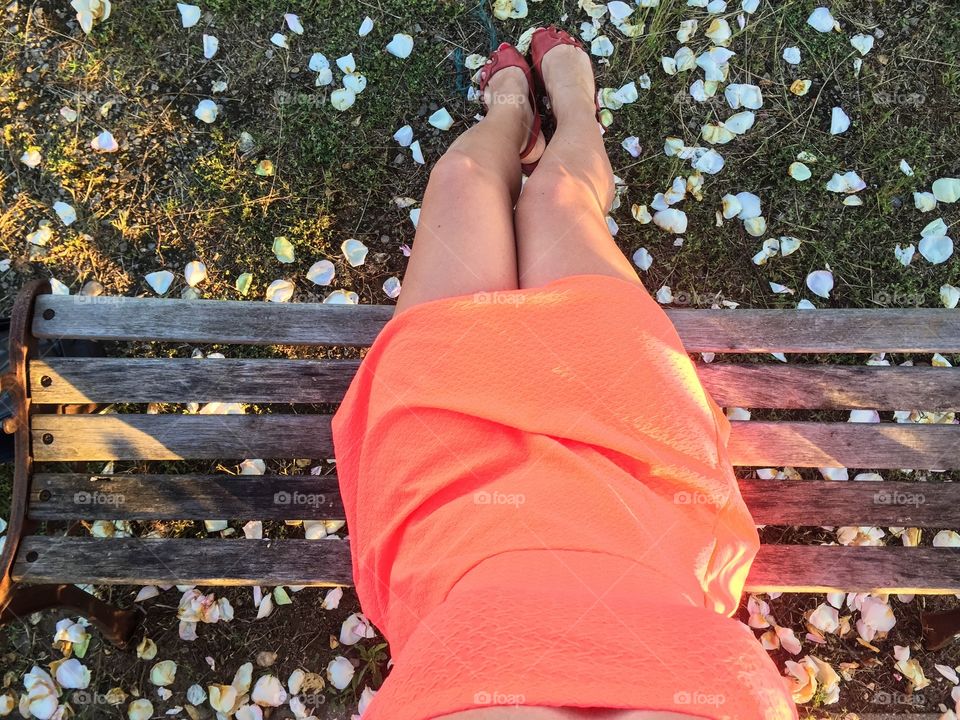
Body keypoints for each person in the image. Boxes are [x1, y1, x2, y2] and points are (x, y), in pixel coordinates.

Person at [332, 26, 798, 720]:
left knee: (461, 181)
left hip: (452, 507)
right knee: (557, 206)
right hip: (639, 494)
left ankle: (510, 112)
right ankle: (575, 110)